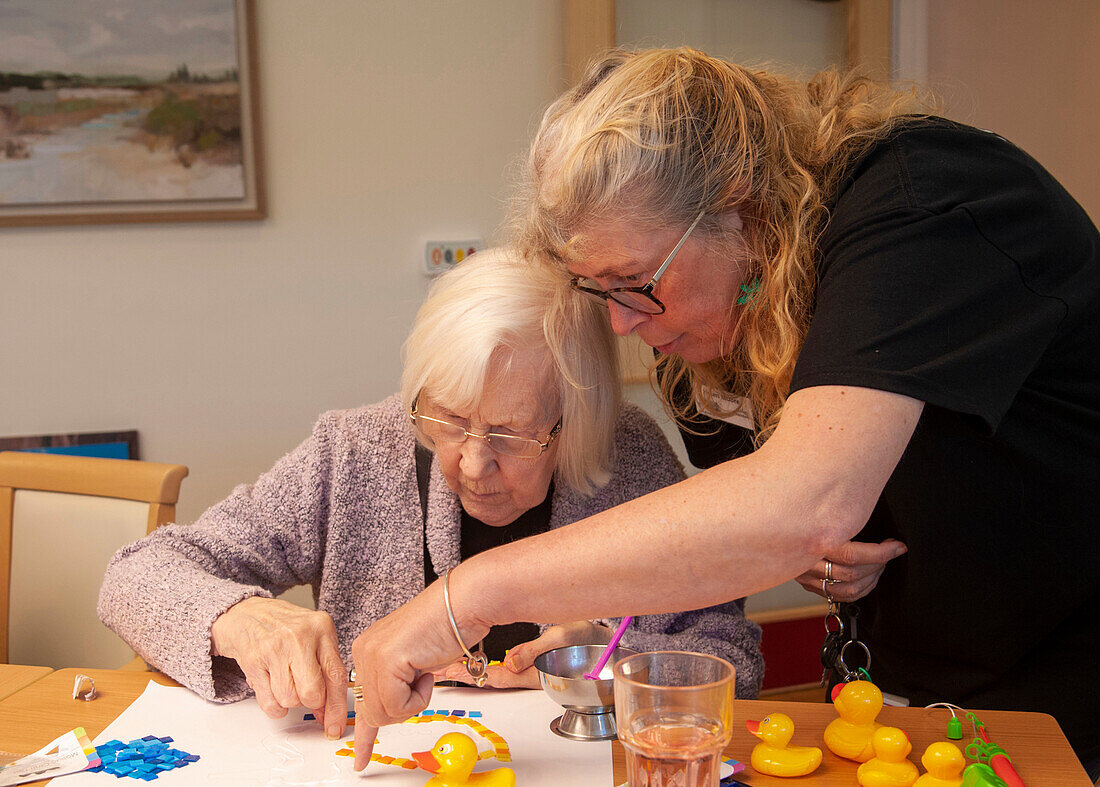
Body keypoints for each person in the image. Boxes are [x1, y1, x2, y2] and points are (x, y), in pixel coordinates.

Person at [347, 48, 1100, 775]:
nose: (620, 324)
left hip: (1064, 684)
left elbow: (803, 500)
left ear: (737, 205)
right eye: (596, 287)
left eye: (635, 280)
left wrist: (467, 595)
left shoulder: (924, 203)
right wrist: (796, 544)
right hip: (893, 685)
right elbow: (764, 516)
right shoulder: (694, 323)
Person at [97, 247, 764, 742]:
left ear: (574, 423)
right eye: (447, 421)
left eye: (509, 433)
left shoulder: (629, 458)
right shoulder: (356, 450)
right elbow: (133, 575)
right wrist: (239, 617)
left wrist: (611, 667)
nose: (474, 462)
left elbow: (731, 656)